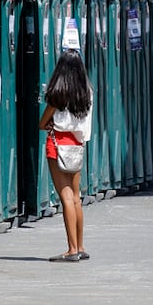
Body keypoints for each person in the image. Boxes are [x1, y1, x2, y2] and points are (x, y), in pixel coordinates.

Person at [38, 49, 93, 262]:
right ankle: (80, 246)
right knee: (76, 197)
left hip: (58, 144)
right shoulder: (87, 91)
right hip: (77, 145)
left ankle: (71, 250)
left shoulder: (58, 92)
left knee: (66, 197)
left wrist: (49, 123)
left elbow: (42, 123)